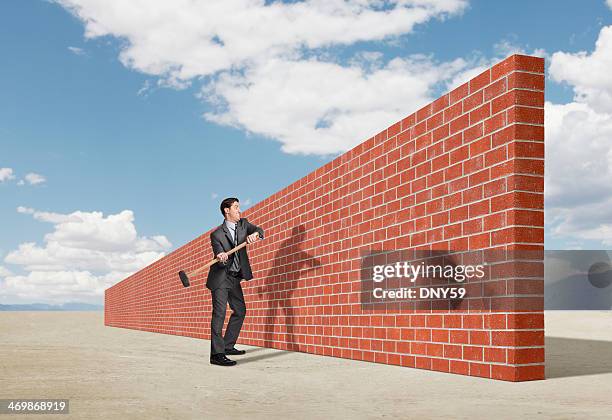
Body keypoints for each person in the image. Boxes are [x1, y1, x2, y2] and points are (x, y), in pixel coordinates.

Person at [207, 197, 264, 366]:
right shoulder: (216, 234)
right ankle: (216, 355)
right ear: (227, 210)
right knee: (219, 314)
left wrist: (255, 234)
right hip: (220, 277)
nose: (239, 210)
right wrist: (221, 256)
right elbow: (219, 253)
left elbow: (260, 230)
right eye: (236, 207)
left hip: (234, 277)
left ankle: (227, 345)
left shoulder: (244, 224)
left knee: (240, 310)